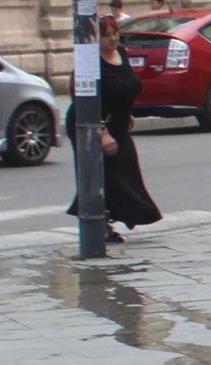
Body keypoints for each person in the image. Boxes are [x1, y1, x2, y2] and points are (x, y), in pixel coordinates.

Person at [66, 15, 163, 244]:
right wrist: (100, 132)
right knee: (101, 175)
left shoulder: (122, 54)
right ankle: (98, 223)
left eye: (114, 33)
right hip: (93, 126)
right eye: (105, 35)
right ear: (95, 38)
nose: (111, 39)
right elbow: (83, 101)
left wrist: (127, 112)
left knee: (125, 169)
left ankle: (107, 217)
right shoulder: (90, 63)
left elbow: (125, 85)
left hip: (118, 125)